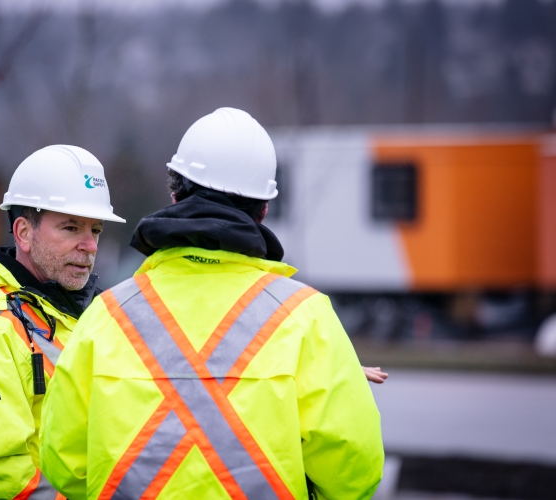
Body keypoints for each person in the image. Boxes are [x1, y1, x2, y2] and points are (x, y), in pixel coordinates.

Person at [40, 108, 385, 500]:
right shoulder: (307, 317)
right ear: (263, 210)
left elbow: (63, 465)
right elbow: (353, 474)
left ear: (174, 195)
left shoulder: (105, 316)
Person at [0, 145, 125, 499]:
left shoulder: (94, 315)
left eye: (96, 230)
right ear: (24, 233)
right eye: (71, 227)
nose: (89, 245)